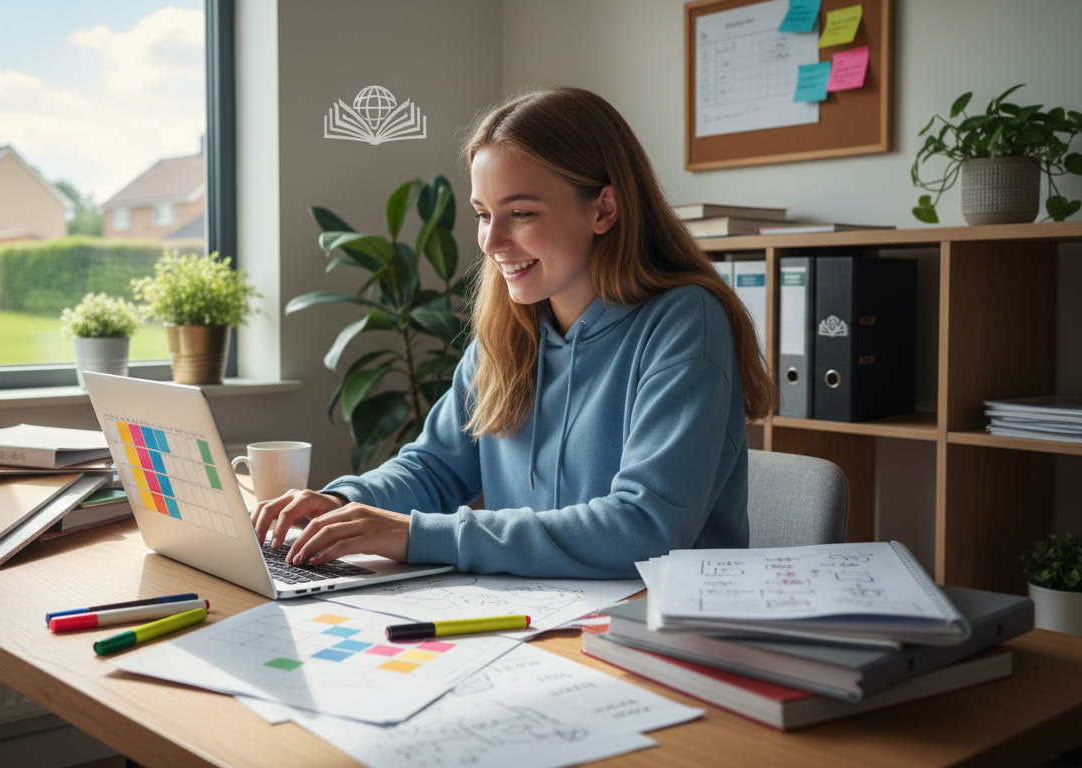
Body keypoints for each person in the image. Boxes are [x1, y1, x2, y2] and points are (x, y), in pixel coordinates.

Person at [250, 86, 775, 579]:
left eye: (520, 212)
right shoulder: (513, 328)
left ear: (604, 209)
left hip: (658, 629)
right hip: (537, 618)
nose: (491, 240)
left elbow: (644, 528)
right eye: (484, 214)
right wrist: (343, 504)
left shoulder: (684, 322)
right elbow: (435, 467)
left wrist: (416, 536)